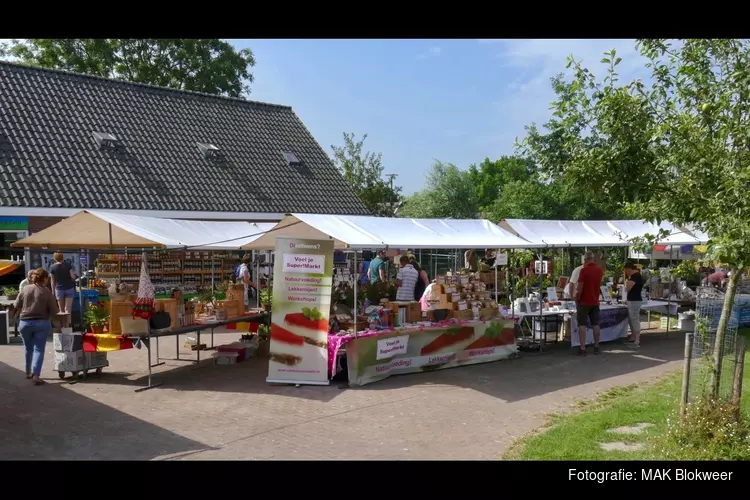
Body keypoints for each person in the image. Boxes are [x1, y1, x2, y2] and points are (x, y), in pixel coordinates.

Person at [13, 268, 59, 385]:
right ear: (44, 279)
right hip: (41, 323)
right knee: (39, 349)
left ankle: (28, 372)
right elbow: (54, 310)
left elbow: (16, 304)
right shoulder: (46, 291)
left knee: (28, 348)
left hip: (24, 323)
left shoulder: (25, 289)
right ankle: (36, 375)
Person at [575, 251, 604, 356]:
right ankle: (596, 346)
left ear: (585, 259)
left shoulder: (584, 270)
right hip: (595, 301)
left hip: (584, 301)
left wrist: (577, 298)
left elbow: (580, 288)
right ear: (593, 259)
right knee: (596, 324)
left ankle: (582, 348)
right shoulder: (599, 270)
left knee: (582, 324)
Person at [49, 252, 76, 328]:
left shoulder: (52, 267)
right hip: (69, 288)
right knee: (68, 310)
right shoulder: (68, 265)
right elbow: (73, 277)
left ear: (55, 258)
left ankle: (62, 327)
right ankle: (67, 327)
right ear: (63, 257)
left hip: (59, 289)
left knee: (61, 310)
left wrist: (52, 292)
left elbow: (52, 281)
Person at [624, 263, 644, 348]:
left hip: (634, 300)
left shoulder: (635, 277)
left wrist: (627, 281)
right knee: (632, 319)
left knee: (635, 319)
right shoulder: (638, 276)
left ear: (629, 269)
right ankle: (633, 337)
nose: (626, 273)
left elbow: (627, 288)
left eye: (626, 271)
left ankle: (637, 340)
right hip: (633, 300)